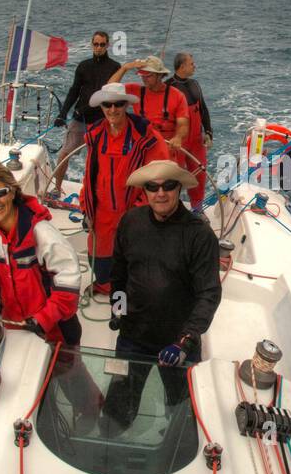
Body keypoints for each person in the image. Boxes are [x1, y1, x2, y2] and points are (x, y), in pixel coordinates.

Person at [0, 157, 100, 420]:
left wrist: (40, 321)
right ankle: (48, 418)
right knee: (34, 383)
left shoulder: (42, 233)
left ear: (12, 191)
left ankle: (92, 413)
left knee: (71, 380)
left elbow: (68, 291)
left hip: (56, 331)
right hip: (18, 327)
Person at [102, 160, 221, 432]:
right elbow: (118, 274)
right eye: (152, 187)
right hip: (133, 337)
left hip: (177, 344)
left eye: (168, 185)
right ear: (144, 191)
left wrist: (185, 340)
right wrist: (118, 309)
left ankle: (180, 441)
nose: (160, 192)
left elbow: (209, 294)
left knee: (182, 408)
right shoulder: (130, 222)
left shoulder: (199, 235)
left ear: (178, 188)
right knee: (117, 407)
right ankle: (110, 440)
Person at [79, 82, 168, 294]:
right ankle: (105, 286)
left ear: (126, 105)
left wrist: (140, 212)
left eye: (118, 104)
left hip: (134, 212)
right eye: (107, 104)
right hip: (101, 214)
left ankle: (126, 300)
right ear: (101, 107)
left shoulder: (146, 137)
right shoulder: (95, 134)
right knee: (99, 260)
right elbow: (89, 176)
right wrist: (85, 207)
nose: (112, 110)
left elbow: (160, 178)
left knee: (133, 260)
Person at [51, 31, 120, 199]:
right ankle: (56, 189)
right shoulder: (83, 66)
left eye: (102, 45)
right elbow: (74, 90)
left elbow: (107, 94)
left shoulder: (115, 68)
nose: (98, 48)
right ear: (91, 45)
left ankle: (94, 193)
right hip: (79, 119)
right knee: (64, 154)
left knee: (97, 159)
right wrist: (62, 113)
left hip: (101, 120)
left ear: (107, 46)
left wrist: (85, 109)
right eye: (95, 44)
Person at [108, 56, 189, 167]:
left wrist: (178, 137)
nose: (144, 79)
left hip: (167, 152)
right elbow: (109, 88)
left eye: (148, 75)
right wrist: (125, 68)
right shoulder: (135, 90)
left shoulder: (177, 96)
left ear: (160, 75)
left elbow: (183, 125)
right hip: (141, 150)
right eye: (142, 75)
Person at [165, 52, 213, 209]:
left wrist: (208, 132)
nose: (194, 66)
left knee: (199, 175)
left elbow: (203, 109)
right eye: (192, 63)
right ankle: (171, 209)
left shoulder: (195, 84)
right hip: (178, 141)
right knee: (173, 177)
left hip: (197, 141)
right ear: (182, 66)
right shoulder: (168, 87)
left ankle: (197, 209)